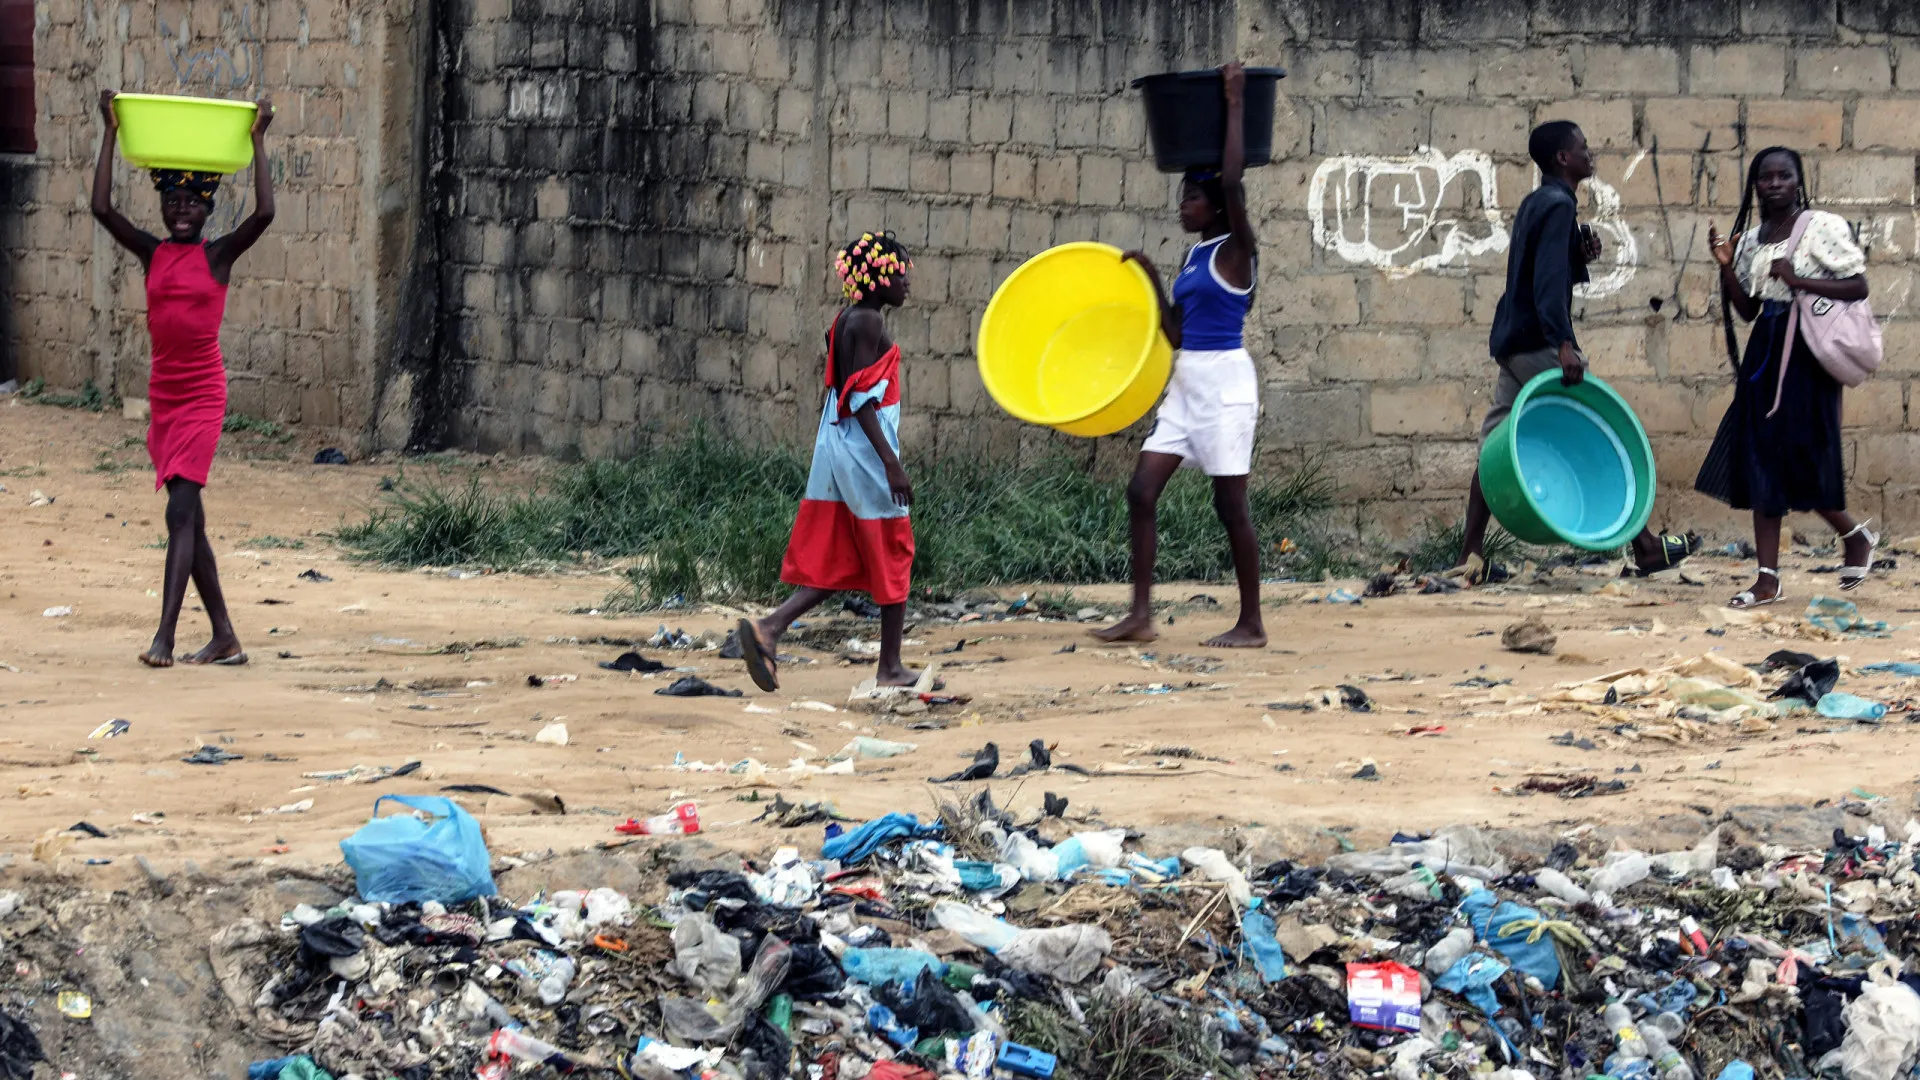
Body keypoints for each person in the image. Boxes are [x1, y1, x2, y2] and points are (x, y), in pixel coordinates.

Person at [1457, 120, 1694, 582]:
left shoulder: (1538, 202)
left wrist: (1576, 257)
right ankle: (1645, 546)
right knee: (1599, 428)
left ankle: (1469, 555)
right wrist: (1564, 344)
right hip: (1538, 340)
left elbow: (1538, 269)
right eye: (1583, 147)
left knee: (1493, 448)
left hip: (1512, 338)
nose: (1592, 153)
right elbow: (1545, 284)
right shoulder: (1559, 206)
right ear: (1564, 158)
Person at [91, 89, 275, 668]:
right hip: (164, 395)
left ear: (206, 211)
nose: (181, 210)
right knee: (188, 518)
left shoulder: (217, 257)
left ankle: (164, 638)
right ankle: (224, 637)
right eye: (173, 201)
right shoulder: (151, 253)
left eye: (192, 204)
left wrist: (258, 140)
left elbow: (265, 214)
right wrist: (111, 130)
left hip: (201, 394)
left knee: (179, 514)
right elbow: (101, 208)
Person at [1093, 60, 1266, 648]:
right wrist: (1150, 279)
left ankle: (1252, 623)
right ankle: (1140, 615)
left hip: (1224, 386)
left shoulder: (1236, 250)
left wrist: (1235, 101)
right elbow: (1175, 332)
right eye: (1182, 196)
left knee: (1229, 505)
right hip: (1188, 380)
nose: (1182, 206)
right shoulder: (1195, 258)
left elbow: (1237, 181)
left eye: (1191, 197)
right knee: (1141, 490)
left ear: (1216, 205)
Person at [738, 232, 916, 691]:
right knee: (894, 548)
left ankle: (770, 629)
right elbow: (859, 396)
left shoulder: (847, 318)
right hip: (864, 453)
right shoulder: (869, 322)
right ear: (877, 278)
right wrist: (890, 463)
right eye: (900, 273)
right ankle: (890, 667)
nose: (907, 282)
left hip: (837, 446)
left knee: (845, 557)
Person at [1698, 147, 1875, 608]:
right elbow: (1747, 309)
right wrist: (1725, 266)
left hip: (1807, 353)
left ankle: (1854, 536)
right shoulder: (1754, 239)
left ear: (1799, 181)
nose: (1774, 183)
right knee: (1759, 457)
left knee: (1803, 454)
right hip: (1766, 350)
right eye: (1765, 177)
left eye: (1784, 176)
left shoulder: (1821, 225)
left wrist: (1800, 281)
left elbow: (1858, 285)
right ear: (1755, 185)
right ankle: (1767, 580)